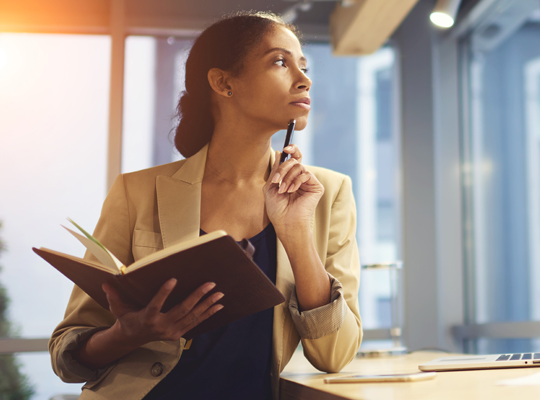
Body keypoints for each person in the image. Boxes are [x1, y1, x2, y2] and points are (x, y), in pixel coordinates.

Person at [48, 10, 362, 400]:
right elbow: (67, 354)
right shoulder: (137, 192)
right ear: (223, 83)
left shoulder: (327, 194)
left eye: (303, 64)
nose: (304, 79)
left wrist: (296, 234)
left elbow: (336, 354)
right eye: (280, 62)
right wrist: (127, 335)